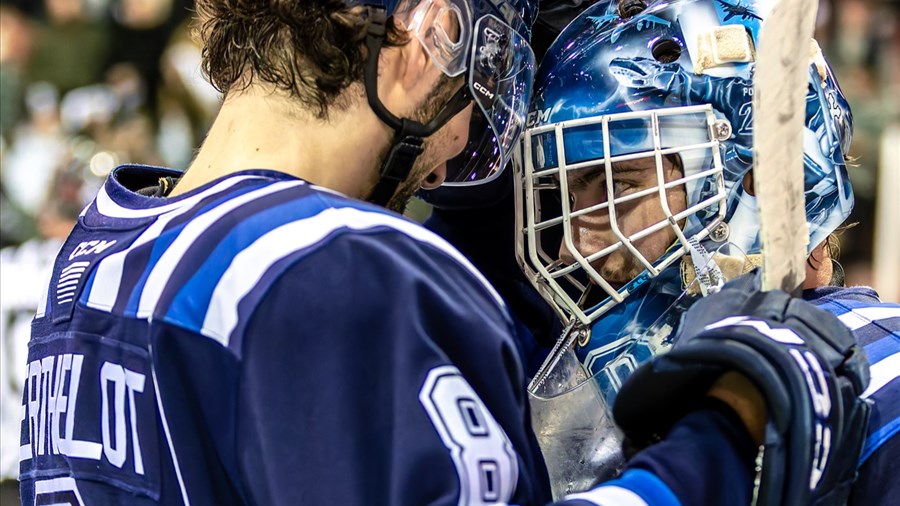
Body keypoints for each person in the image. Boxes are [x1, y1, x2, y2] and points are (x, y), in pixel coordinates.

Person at [16, 1, 877, 506]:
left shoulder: (101, 249)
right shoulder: (340, 270)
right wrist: (727, 431)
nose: (468, 131)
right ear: (435, 31)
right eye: (491, 70)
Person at [503, 0, 897, 503]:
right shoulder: (666, 398)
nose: (569, 247)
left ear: (759, 181)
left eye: (616, 187)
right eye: (568, 199)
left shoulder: (884, 381)